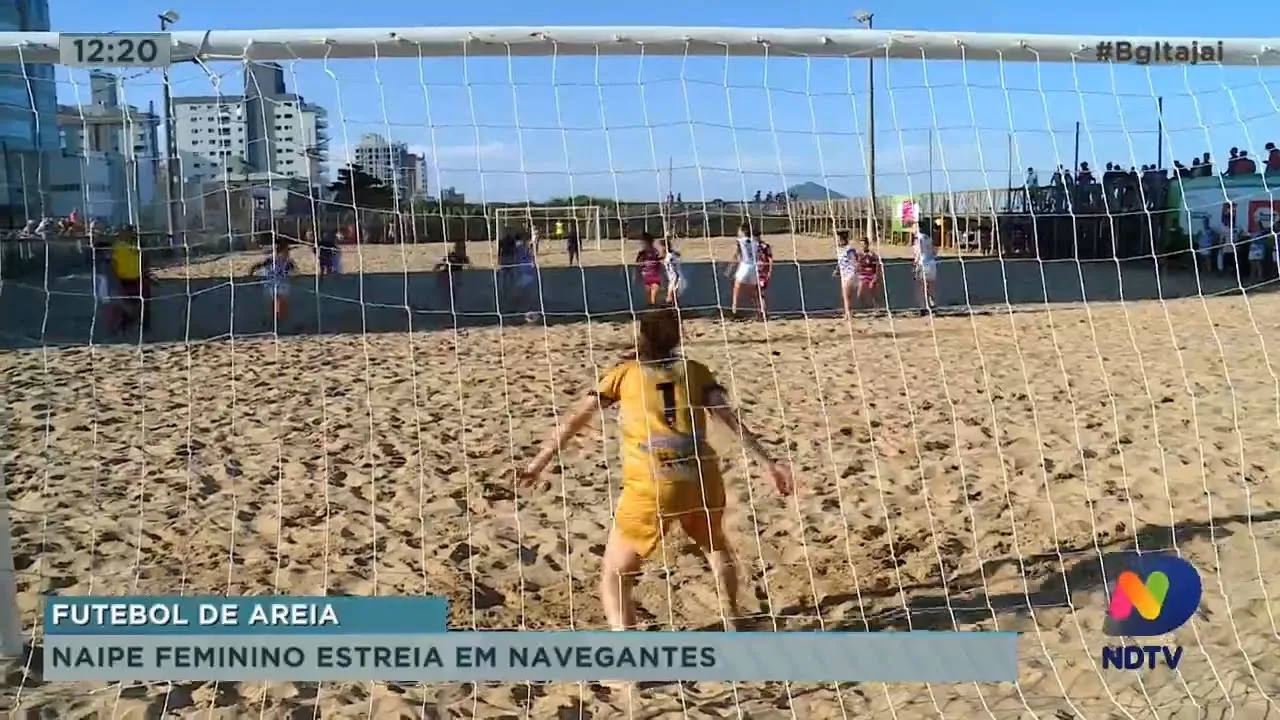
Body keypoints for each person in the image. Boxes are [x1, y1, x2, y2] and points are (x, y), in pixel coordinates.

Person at [516, 307, 794, 632]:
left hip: (653, 483)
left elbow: (575, 419)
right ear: (678, 338)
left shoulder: (623, 374)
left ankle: (633, 658)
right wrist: (769, 464)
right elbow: (730, 419)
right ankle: (732, 616)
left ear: (641, 336)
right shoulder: (695, 370)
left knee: (615, 575)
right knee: (715, 544)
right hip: (701, 476)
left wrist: (538, 464)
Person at [111, 226, 151, 333]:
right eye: (124, 232)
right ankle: (125, 326)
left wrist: (145, 273)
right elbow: (113, 263)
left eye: (130, 232)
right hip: (124, 279)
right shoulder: (117, 246)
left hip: (138, 278)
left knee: (144, 302)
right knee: (127, 304)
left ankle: (144, 326)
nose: (128, 234)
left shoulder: (137, 245)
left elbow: (144, 259)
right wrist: (116, 278)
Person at [249, 238, 297, 323]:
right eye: (286, 251)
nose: (288, 253)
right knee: (277, 302)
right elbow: (257, 266)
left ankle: (278, 320)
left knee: (281, 303)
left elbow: (294, 271)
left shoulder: (288, 261)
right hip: (273, 283)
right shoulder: (272, 259)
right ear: (281, 251)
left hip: (282, 283)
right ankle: (275, 320)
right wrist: (251, 275)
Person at [727, 223, 760, 319]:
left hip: (744, 266)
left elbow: (737, 254)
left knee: (736, 288)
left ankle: (734, 310)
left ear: (743, 232)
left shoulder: (740, 241)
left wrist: (730, 268)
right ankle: (759, 311)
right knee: (753, 292)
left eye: (739, 231)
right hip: (754, 267)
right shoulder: (755, 242)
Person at [432, 239, 471, 306]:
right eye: (460, 248)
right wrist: (436, 269)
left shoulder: (464, 258)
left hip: (455, 277)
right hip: (447, 275)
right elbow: (441, 263)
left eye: (463, 248)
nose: (462, 251)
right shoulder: (451, 256)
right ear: (455, 248)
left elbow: (469, 267)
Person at [833, 230, 858, 318]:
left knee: (846, 295)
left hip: (850, 274)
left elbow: (854, 261)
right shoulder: (839, 250)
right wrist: (837, 270)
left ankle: (848, 314)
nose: (837, 241)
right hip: (844, 275)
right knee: (846, 295)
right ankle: (848, 313)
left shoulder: (849, 249)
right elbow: (840, 262)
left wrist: (855, 271)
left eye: (839, 239)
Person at [912, 224, 938, 310]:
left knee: (920, 286)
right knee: (930, 286)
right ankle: (933, 304)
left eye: (914, 226)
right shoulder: (929, 238)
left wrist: (915, 263)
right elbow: (935, 251)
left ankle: (922, 307)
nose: (912, 228)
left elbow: (918, 251)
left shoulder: (918, 238)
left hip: (922, 263)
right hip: (932, 263)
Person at [635, 232, 663, 306]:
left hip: (655, 275)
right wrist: (637, 275)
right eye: (642, 243)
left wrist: (662, 272)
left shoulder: (655, 252)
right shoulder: (642, 254)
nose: (643, 244)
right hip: (646, 276)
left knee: (654, 291)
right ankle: (650, 306)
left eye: (644, 243)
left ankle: (653, 304)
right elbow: (638, 265)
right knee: (648, 293)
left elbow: (659, 263)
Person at [855, 238, 882, 309]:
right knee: (859, 294)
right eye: (861, 245)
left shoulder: (872, 255)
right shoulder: (859, 255)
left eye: (863, 244)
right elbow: (856, 265)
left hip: (871, 275)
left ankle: (877, 307)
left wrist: (876, 276)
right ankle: (867, 306)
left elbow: (877, 265)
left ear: (867, 245)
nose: (862, 246)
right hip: (863, 275)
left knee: (873, 292)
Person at [659, 236, 686, 306]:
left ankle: (671, 307)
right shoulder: (668, 254)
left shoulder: (670, 255)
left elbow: (675, 257)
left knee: (670, 295)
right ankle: (673, 307)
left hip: (674, 277)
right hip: (670, 278)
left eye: (662, 246)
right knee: (672, 295)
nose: (661, 248)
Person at [756, 236, 775, 319]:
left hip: (762, 272)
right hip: (755, 271)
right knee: (756, 292)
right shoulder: (752, 245)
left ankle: (763, 312)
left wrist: (769, 271)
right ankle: (760, 311)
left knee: (761, 292)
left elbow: (770, 259)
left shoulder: (765, 246)